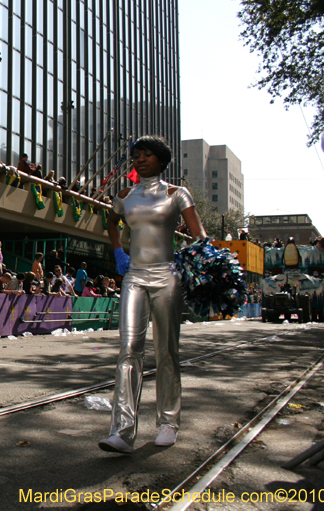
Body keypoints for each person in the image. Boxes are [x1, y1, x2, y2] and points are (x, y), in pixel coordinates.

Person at [99, 135, 206, 454]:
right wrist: (118, 250)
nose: (140, 159)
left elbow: (199, 235)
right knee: (128, 349)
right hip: (134, 276)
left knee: (166, 350)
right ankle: (122, 429)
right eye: (136, 155)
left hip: (167, 277)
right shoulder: (125, 195)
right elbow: (112, 221)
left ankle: (169, 422)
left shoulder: (178, 194)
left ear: (161, 159)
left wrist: (199, 258)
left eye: (147, 154)